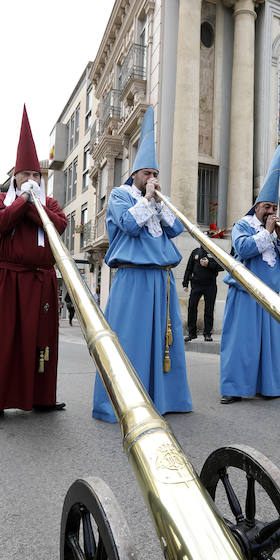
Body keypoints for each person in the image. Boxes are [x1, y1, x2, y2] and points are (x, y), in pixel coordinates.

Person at [91, 107, 192, 421]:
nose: (153, 179)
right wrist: (148, 201)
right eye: (148, 173)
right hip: (133, 277)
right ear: (135, 173)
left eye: (155, 174)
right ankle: (124, 401)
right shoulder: (120, 195)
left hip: (161, 278)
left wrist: (159, 204)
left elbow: (176, 229)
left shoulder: (158, 201)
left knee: (165, 341)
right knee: (129, 339)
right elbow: (128, 225)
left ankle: (164, 398)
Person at [0, 106, 68, 420]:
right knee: (4, 339)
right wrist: (24, 202)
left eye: (35, 176)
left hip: (41, 280)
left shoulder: (50, 203)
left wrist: (33, 206)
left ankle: (42, 397)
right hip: (9, 280)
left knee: (41, 340)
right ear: (16, 177)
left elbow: (59, 224)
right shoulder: (1, 200)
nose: (31, 180)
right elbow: (0, 222)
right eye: (26, 175)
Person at [220, 144, 280, 403]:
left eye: (274, 207)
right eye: (267, 207)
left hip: (271, 295)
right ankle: (233, 389)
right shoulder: (243, 224)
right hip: (245, 293)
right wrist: (266, 232)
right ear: (257, 208)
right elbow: (243, 247)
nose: (271, 212)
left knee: (269, 346)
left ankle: (267, 387)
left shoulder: (277, 229)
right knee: (240, 344)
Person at [182, 245, 223, 341]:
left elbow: (221, 266)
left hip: (210, 285)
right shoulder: (195, 252)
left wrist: (208, 264)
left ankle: (207, 333)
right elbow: (189, 268)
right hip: (196, 285)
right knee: (192, 307)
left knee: (209, 309)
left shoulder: (214, 251)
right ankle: (192, 333)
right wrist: (185, 283)